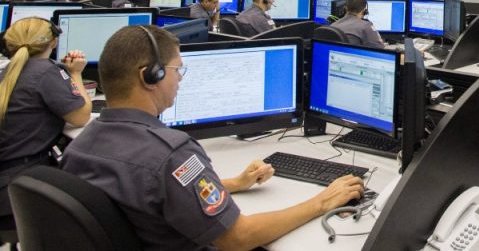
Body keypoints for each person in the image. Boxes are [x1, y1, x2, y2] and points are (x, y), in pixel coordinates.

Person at [62, 25, 363, 250]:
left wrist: (233, 184)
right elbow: (238, 237)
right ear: (150, 76)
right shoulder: (172, 154)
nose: (180, 80)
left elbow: (150, 194)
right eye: (177, 70)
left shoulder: (80, 146)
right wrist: (322, 202)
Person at [0, 17, 91, 235]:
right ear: (53, 42)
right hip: (18, 189)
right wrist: (76, 74)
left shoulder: (7, 70)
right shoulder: (47, 72)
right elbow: (81, 116)